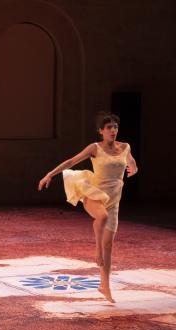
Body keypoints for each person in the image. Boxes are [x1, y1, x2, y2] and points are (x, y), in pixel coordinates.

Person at [38, 112, 138, 303]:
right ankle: (97, 250)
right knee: (102, 218)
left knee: (109, 245)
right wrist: (50, 174)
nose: (113, 130)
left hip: (114, 200)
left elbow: (130, 161)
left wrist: (134, 168)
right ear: (101, 131)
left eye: (115, 127)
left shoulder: (125, 147)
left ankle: (104, 286)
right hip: (94, 193)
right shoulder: (95, 148)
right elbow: (71, 161)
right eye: (109, 127)